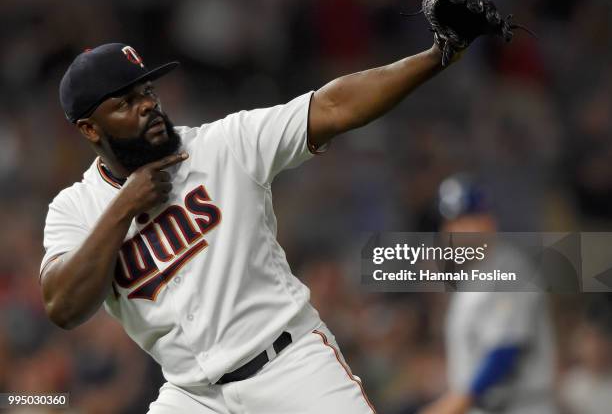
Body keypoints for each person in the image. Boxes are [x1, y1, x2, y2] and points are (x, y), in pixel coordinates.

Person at [39, 34, 452, 413]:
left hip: (290, 367)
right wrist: (123, 207)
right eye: (125, 102)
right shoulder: (74, 209)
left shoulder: (223, 145)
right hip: (193, 397)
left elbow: (332, 106)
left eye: (146, 91)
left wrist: (439, 55)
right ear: (90, 128)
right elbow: (63, 306)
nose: (147, 104)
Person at [420, 173, 557, 414]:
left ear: (489, 220)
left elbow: (505, 350)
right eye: (450, 222)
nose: (456, 230)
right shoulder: (473, 277)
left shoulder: (509, 269)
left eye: (466, 219)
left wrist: (453, 405)